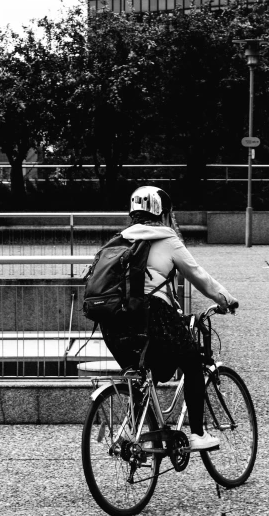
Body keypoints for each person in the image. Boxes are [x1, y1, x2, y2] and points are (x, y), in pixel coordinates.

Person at [101, 185, 238, 451]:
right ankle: (197, 435)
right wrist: (226, 299)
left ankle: (135, 434)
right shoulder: (167, 239)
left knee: (140, 374)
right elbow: (199, 277)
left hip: (113, 319)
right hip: (153, 315)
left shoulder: (120, 239)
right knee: (192, 362)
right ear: (163, 212)